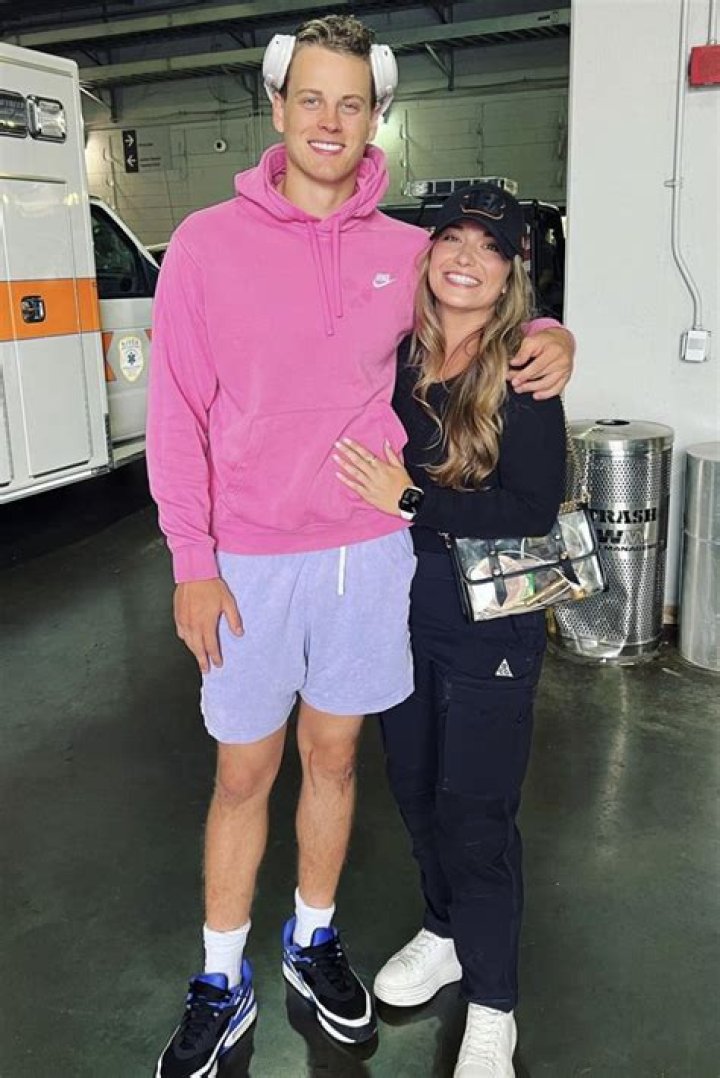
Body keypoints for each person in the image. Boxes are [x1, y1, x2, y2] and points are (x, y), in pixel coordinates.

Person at [147, 15, 574, 1078]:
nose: (330, 121)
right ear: (277, 106)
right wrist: (192, 561)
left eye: (351, 102)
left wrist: (551, 333)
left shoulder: (403, 250)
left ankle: (312, 941)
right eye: (312, 98)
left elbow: (483, 305)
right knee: (243, 775)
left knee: (338, 760)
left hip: (371, 557)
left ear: (377, 114)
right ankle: (220, 978)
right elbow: (174, 411)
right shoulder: (204, 243)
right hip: (248, 560)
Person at [334, 183, 566, 1077]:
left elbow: (531, 509)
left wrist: (412, 502)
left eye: (490, 247)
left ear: (511, 272)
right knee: (416, 791)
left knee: (477, 814)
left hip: (490, 629)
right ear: (427, 255)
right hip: (400, 614)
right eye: (452, 241)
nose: (467, 259)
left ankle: (495, 1005)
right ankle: (445, 930)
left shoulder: (522, 369)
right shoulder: (396, 354)